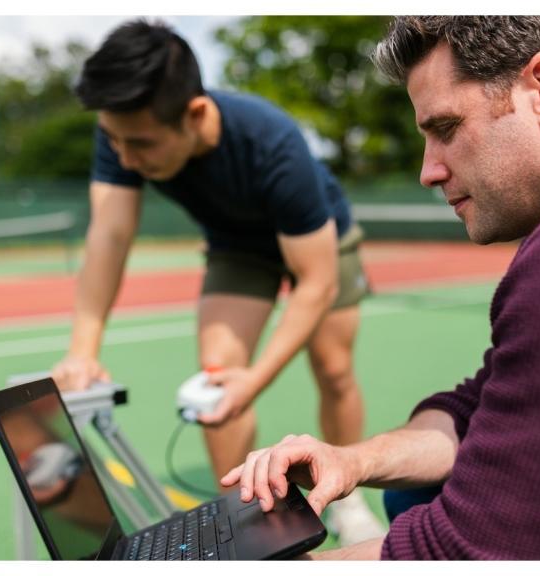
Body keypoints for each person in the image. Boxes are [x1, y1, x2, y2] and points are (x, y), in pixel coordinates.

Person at [222, 16, 540, 560]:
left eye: (446, 128)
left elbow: (480, 550)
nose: (428, 170)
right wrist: (354, 461)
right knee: (413, 491)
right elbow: (479, 403)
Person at [50, 19, 384, 544]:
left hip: (319, 242)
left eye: (139, 144)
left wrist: (260, 378)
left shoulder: (272, 142)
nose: (125, 159)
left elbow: (315, 283)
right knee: (217, 386)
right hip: (238, 248)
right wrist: (82, 350)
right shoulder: (123, 132)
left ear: (196, 113)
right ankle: (246, 523)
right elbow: (109, 236)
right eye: (114, 141)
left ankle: (348, 499)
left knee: (335, 369)